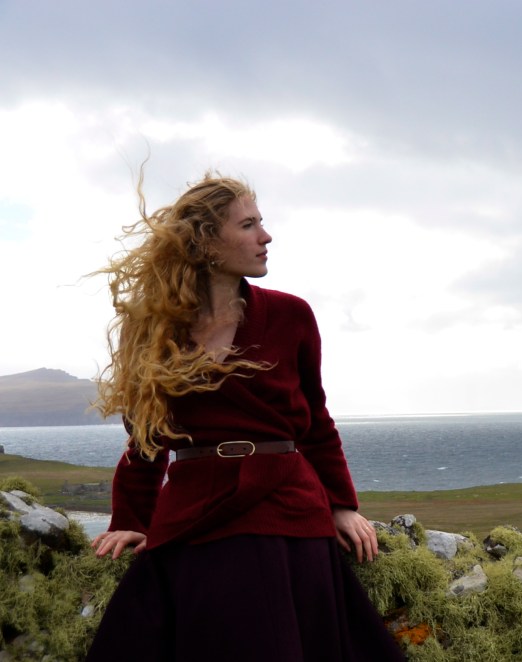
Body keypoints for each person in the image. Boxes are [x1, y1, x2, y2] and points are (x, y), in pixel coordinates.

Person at [86, 171, 405, 661]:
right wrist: (132, 519)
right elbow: (146, 436)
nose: (266, 236)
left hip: (288, 504)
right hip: (195, 507)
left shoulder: (292, 315)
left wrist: (342, 504)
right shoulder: (152, 329)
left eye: (262, 223)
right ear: (206, 242)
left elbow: (316, 421)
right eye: (249, 225)